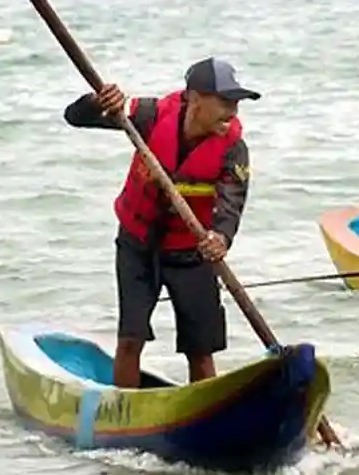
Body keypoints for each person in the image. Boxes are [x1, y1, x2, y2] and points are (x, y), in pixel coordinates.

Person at [62, 57, 259, 388]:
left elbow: (231, 205)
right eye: (225, 102)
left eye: (236, 103)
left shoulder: (233, 149)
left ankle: (203, 411)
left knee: (201, 349)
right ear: (195, 98)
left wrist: (220, 239)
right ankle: (122, 416)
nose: (233, 112)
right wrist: (99, 102)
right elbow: (75, 118)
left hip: (190, 254)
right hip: (138, 246)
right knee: (130, 340)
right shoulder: (149, 116)